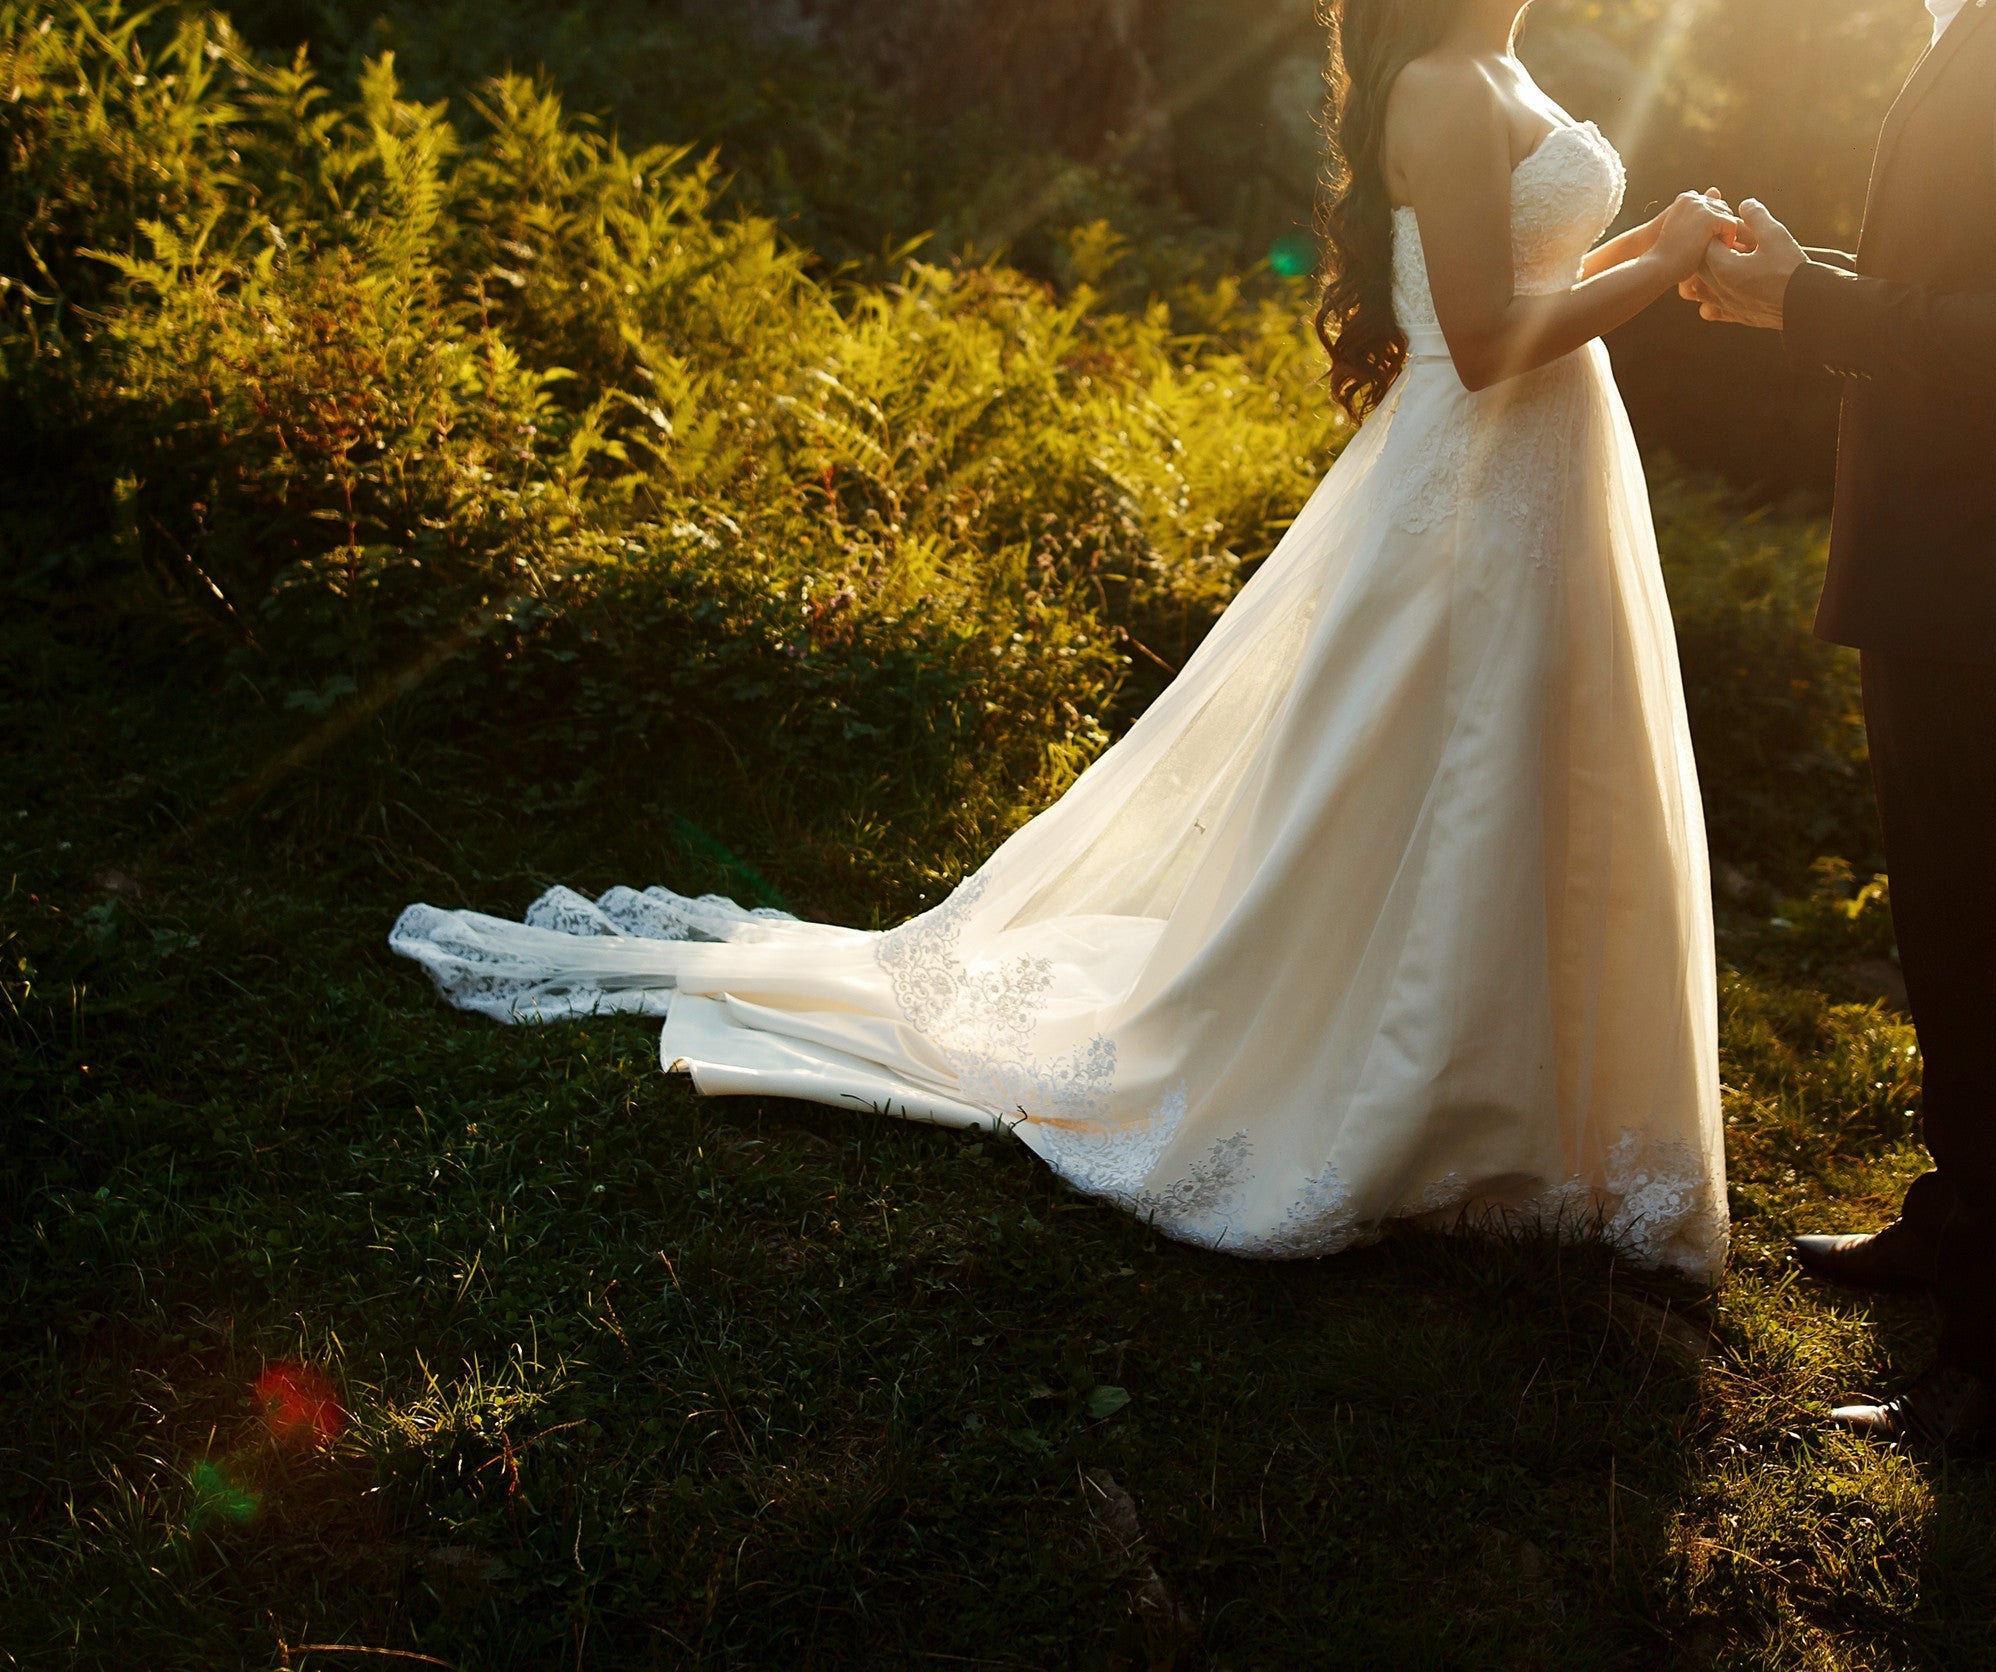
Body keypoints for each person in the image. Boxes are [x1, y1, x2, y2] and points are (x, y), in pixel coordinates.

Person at [393, 0, 1740, 1277]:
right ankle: (1417, 1106)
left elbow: (1527, 274)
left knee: (1534, 778)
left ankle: (1517, 1118)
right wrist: (1667, 265)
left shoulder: (1503, 63)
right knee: (1439, 779)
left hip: (1553, 476)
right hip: (1475, 492)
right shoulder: (1448, 88)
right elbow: (1490, 341)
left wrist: (1648, 245)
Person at [1682, 0, 1996, 1454]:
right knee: (1954, 927)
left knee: (1990, 942)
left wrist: (1811, 300)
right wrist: (1805, 283)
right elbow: (1972, 281)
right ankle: (1963, 1226)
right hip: (1952, 557)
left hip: (1990, 563)